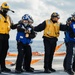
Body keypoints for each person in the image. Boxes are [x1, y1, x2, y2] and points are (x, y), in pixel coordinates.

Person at [0, 2, 15, 73]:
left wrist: (19, 24)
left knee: (4, 52)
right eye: (5, 9)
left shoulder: (8, 17)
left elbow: (12, 26)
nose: (6, 11)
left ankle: (3, 67)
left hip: (6, 36)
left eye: (7, 10)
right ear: (1, 8)